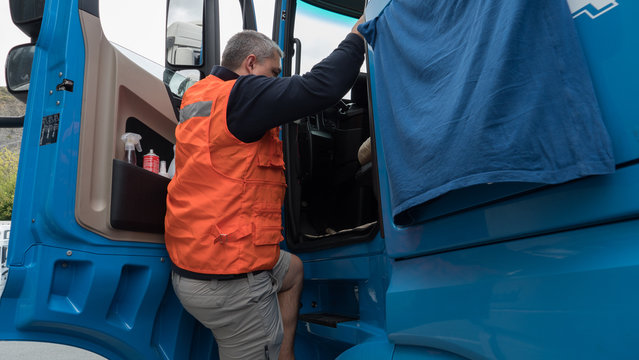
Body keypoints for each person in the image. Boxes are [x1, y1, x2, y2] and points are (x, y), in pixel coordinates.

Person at [165, 15, 366, 360]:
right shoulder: (242, 95)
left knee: (293, 270)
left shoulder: (201, 95)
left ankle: (285, 352)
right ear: (250, 63)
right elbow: (322, 87)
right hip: (229, 280)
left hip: (196, 265)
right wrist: (357, 38)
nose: (278, 82)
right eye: (274, 73)